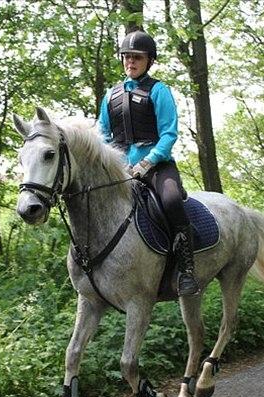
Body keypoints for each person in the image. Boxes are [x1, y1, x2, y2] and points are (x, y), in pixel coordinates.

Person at [98, 30, 200, 296]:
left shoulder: (159, 91)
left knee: (171, 201)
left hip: (157, 167)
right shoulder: (110, 96)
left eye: (137, 58)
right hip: (121, 169)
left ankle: (186, 270)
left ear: (148, 61)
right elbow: (103, 136)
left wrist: (148, 161)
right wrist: (113, 163)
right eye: (127, 57)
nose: (130, 62)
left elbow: (169, 133)